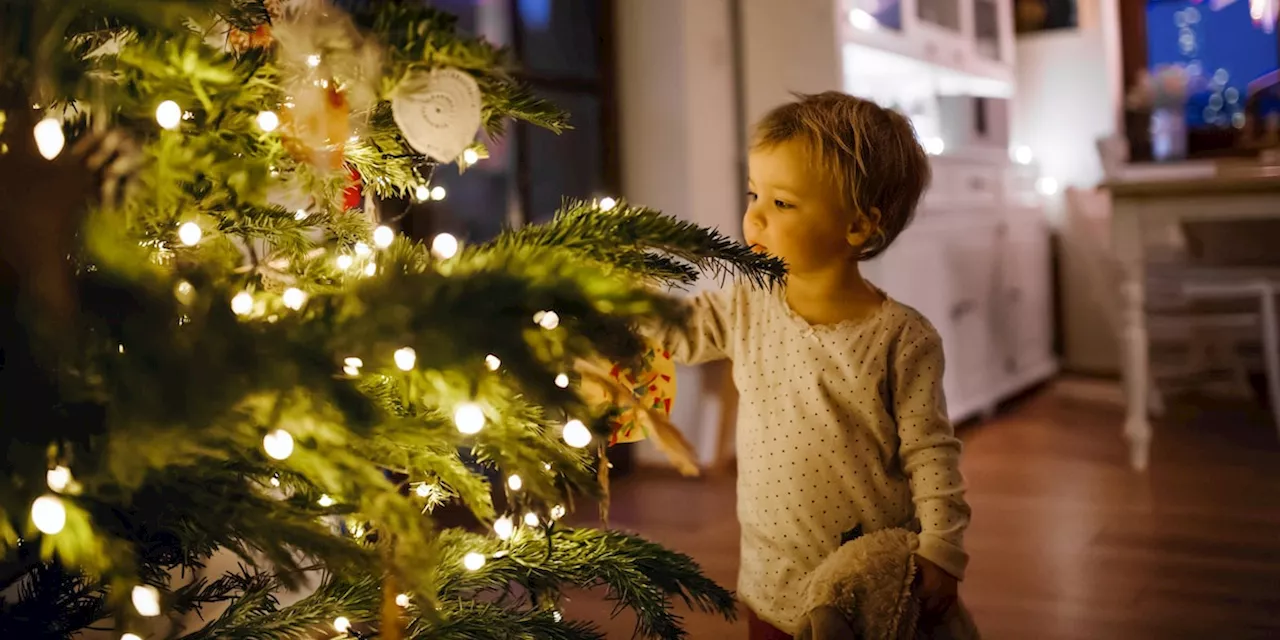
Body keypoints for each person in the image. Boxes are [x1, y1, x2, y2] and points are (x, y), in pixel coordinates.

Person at [653, 91, 974, 638]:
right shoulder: (748, 305)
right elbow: (679, 332)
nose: (753, 215)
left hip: (862, 588)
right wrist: (610, 309)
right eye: (754, 193)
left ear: (858, 226)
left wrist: (942, 550)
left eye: (782, 204)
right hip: (768, 576)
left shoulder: (901, 337)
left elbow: (930, 450)